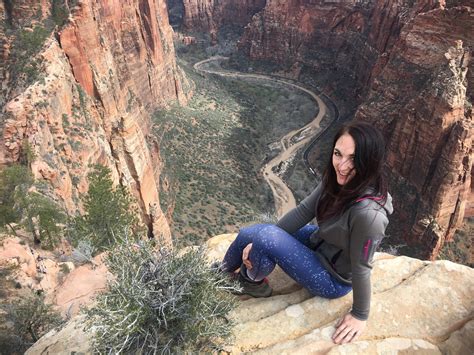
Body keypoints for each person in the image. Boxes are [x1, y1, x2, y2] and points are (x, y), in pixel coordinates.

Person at [219, 121, 393, 344]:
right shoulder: (335, 178)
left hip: (332, 278)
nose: (342, 165)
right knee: (251, 233)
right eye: (338, 154)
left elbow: (361, 267)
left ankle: (251, 283)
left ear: (368, 162)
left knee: (264, 238)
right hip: (319, 243)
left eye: (353, 159)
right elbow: (303, 212)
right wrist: (258, 240)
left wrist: (360, 314)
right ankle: (222, 273)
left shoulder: (370, 215)